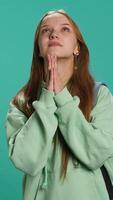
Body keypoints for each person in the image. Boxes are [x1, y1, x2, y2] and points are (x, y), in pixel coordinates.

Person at [5, 9, 113, 200]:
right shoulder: (21, 102)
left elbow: (97, 153)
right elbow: (25, 160)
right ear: (39, 48)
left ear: (77, 47)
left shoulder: (100, 95)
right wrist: (47, 99)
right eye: (46, 31)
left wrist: (62, 99)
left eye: (65, 29)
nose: (54, 34)